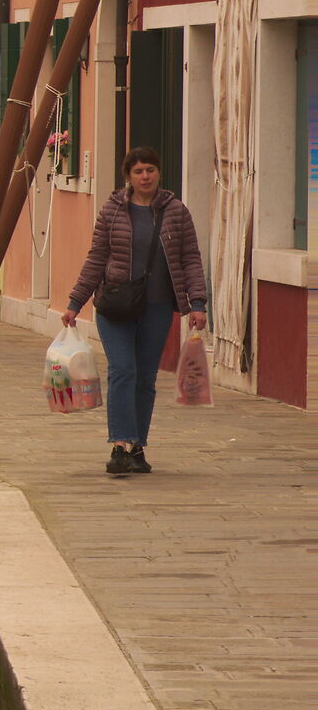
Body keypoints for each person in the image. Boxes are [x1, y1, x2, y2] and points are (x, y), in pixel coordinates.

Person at [64, 147, 209, 475]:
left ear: (159, 173)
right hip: (115, 306)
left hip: (157, 307)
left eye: (151, 170)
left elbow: (190, 259)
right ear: (127, 176)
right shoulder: (112, 211)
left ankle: (137, 447)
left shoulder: (176, 211)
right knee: (123, 370)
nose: (145, 176)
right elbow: (96, 258)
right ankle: (119, 446)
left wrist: (197, 303)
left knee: (145, 378)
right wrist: (75, 302)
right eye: (139, 171)